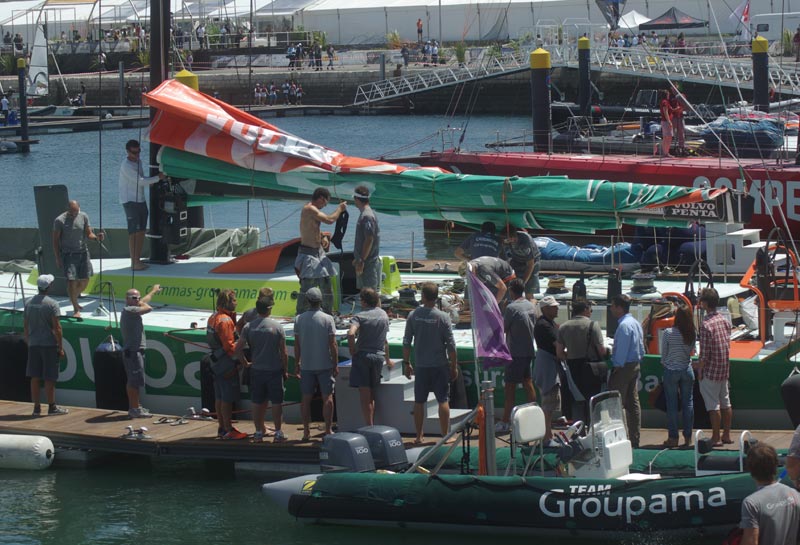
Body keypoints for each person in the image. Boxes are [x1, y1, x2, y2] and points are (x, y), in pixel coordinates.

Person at [403, 282, 458, 444]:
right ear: (436, 298)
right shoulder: (443, 317)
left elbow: (406, 342)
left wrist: (406, 363)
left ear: (423, 297)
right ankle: (445, 435)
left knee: (419, 401)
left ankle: (419, 436)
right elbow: (451, 346)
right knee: (443, 399)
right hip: (439, 365)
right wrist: (453, 366)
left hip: (421, 366)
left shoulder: (413, 315)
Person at [234, 294, 288, 443]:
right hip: (274, 370)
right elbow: (283, 352)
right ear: (269, 309)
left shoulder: (248, 326)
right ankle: (278, 432)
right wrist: (285, 369)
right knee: (277, 402)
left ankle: (258, 432)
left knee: (257, 402)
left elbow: (237, 349)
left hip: (256, 370)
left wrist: (245, 363)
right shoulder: (277, 327)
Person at [294, 287, 338, 440]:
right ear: (321, 301)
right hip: (325, 364)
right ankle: (327, 430)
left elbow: (297, 345)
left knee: (305, 399)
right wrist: (335, 363)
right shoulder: (328, 319)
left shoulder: (299, 319)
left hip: (306, 365)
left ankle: (306, 431)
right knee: (328, 398)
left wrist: (297, 362)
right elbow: (333, 344)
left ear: (307, 301)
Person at [496, 278, 538, 433]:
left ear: (511, 291)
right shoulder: (531, 305)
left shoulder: (512, 308)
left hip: (515, 354)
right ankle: (534, 417)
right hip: (528, 351)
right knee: (528, 383)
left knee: (510, 388)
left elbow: (503, 329)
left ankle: (505, 421)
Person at [295, 187, 346, 313]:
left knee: (327, 286)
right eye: (325, 203)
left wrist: (322, 236)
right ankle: (300, 314)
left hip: (319, 253)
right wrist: (340, 209)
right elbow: (329, 220)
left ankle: (328, 313)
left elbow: (311, 227)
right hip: (308, 254)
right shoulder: (309, 208)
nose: (324, 206)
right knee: (307, 288)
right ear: (321, 198)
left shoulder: (314, 211)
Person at [556, 299, 606, 423]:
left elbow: (559, 353)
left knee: (577, 400)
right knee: (593, 399)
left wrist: (570, 355)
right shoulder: (593, 325)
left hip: (573, 367)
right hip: (592, 368)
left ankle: (578, 429)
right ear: (585, 310)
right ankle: (593, 426)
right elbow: (601, 350)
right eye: (590, 309)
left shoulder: (563, 327)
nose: (591, 312)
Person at [24, 274, 68, 417]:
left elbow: (25, 325)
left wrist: (29, 341)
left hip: (33, 344)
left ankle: (36, 408)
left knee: (34, 377)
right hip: (48, 345)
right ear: (49, 287)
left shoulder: (28, 303)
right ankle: (52, 407)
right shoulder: (52, 304)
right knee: (50, 377)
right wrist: (60, 347)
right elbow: (57, 328)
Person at [347, 288, 391, 426]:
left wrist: (352, 349)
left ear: (364, 301)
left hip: (363, 357)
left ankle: (369, 426)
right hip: (378, 357)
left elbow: (350, 333)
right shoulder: (384, 315)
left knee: (365, 396)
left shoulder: (359, 316)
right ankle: (374, 424)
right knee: (373, 394)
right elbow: (385, 341)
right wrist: (388, 359)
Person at [740, 443, 800, 545]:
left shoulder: (751, 503)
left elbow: (751, 542)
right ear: (776, 465)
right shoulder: (794, 494)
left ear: (750, 469)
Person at [119, 139, 165, 271]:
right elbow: (139, 181)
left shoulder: (138, 162)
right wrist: (158, 178)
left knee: (141, 231)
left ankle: (137, 260)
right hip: (130, 201)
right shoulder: (126, 165)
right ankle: (134, 262)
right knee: (134, 232)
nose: (137, 154)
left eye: (138, 151)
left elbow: (143, 179)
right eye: (134, 152)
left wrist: (153, 180)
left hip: (140, 199)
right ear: (128, 152)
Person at [695, 287, 733, 447]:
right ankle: (726, 435)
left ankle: (716, 437)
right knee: (726, 403)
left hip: (711, 371)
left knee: (713, 406)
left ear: (704, 303)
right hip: (724, 368)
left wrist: (699, 368)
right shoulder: (724, 320)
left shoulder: (705, 325)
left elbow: (705, 353)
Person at [52, 200, 104, 318]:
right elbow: (55, 241)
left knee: (85, 280)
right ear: (67, 210)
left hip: (83, 253)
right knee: (71, 281)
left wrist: (96, 238)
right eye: (72, 212)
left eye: (76, 211)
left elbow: (88, 233)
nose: (74, 214)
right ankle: (76, 308)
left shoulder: (84, 216)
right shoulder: (59, 220)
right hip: (68, 255)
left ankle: (73, 297)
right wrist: (57, 258)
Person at [206, 289, 246, 440]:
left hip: (215, 362)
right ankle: (228, 429)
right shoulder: (225, 321)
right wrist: (240, 360)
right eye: (234, 300)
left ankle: (222, 427)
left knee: (219, 396)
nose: (236, 302)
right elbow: (230, 346)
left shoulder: (213, 317)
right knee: (227, 398)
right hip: (225, 363)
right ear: (228, 302)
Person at [608, 294, 644, 448]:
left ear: (619, 307)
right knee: (633, 402)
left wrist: (615, 367)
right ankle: (634, 438)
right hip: (635, 364)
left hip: (623, 367)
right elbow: (641, 347)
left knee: (615, 403)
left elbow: (621, 352)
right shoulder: (635, 323)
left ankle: (619, 438)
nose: (611, 309)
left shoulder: (623, 326)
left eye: (613, 306)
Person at [120, 284, 161, 419]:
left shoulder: (134, 307)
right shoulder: (129, 309)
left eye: (138, 297)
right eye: (134, 297)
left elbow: (145, 301)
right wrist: (142, 301)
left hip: (135, 351)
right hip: (133, 352)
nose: (137, 300)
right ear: (127, 299)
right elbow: (148, 308)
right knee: (134, 382)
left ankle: (136, 406)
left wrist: (153, 291)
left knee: (135, 381)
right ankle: (134, 409)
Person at [660, 304, 695, 448]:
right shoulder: (692, 333)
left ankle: (673, 438)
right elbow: (691, 352)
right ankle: (688, 437)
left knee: (672, 406)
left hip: (671, 370)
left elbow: (664, 355)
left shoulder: (668, 332)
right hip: (686, 369)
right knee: (688, 404)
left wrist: (667, 363)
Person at [533, 295, 561, 445]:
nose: (557, 308)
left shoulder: (549, 323)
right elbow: (557, 345)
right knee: (548, 404)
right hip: (547, 365)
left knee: (550, 403)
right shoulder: (544, 325)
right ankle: (546, 437)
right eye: (553, 306)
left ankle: (547, 434)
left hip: (548, 364)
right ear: (545, 309)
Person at [353, 185, 381, 291]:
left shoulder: (367, 216)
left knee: (370, 293)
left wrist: (361, 260)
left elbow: (369, 239)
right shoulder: (366, 214)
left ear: (356, 199)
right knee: (367, 293)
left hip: (368, 263)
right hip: (365, 262)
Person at [503, 226, 541, 296]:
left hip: (532, 262)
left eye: (513, 238)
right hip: (516, 260)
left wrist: (523, 283)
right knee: (513, 290)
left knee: (528, 293)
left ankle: (530, 301)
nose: (512, 240)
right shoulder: (505, 240)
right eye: (508, 239)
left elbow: (530, 265)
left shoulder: (525, 240)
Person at [669, 87, 687, 156]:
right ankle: (672, 147)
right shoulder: (670, 96)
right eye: (672, 89)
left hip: (680, 116)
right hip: (673, 116)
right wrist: (675, 109)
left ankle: (682, 148)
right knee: (673, 133)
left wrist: (681, 109)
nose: (673, 90)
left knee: (681, 133)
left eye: (675, 88)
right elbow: (669, 107)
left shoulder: (682, 95)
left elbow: (685, 105)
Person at [659, 89, 673, 157]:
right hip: (666, 121)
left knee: (665, 137)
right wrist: (669, 121)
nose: (669, 95)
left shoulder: (663, 101)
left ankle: (665, 152)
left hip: (664, 121)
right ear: (666, 95)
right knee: (669, 137)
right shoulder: (665, 102)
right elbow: (665, 112)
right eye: (668, 94)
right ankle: (666, 152)